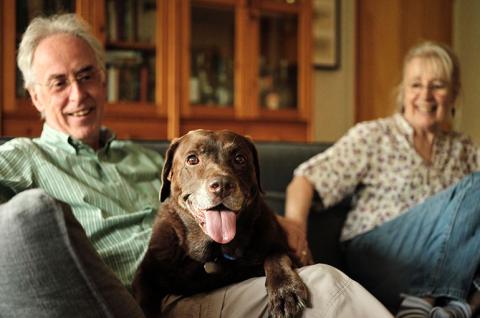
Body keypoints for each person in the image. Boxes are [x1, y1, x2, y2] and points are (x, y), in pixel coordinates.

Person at [0, 13, 392, 318]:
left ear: (103, 80)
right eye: (59, 83)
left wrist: (276, 222)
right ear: (34, 97)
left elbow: (213, 193)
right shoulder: (22, 157)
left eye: (87, 76)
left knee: (315, 286)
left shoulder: (144, 158)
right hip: (150, 299)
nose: (78, 94)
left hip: (213, 281)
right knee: (324, 288)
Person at [283, 41, 480, 318]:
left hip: (436, 262)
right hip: (380, 255)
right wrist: (295, 229)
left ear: (454, 94)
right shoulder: (374, 135)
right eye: (415, 85)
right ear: (403, 92)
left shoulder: (464, 149)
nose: (425, 95)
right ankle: (440, 301)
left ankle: (446, 306)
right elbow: (306, 179)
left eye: (437, 85)